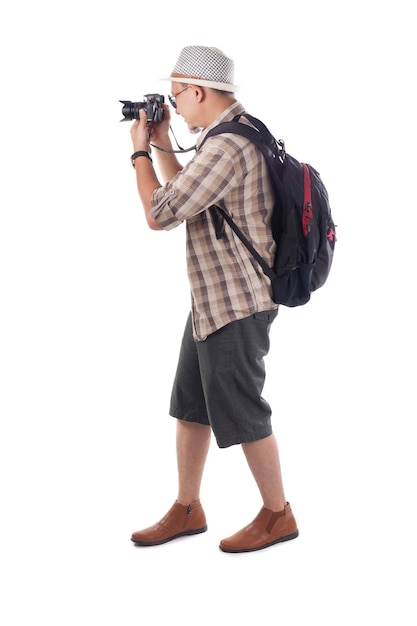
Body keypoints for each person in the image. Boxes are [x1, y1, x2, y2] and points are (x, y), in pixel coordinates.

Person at [128, 45, 298, 553]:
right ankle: (187, 507)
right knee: (191, 404)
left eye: (177, 96)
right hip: (212, 298)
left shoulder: (226, 147)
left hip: (237, 302)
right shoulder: (233, 133)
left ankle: (277, 514)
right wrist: (163, 144)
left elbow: (160, 213)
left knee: (244, 411)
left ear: (198, 91)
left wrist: (138, 150)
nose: (174, 106)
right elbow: (189, 193)